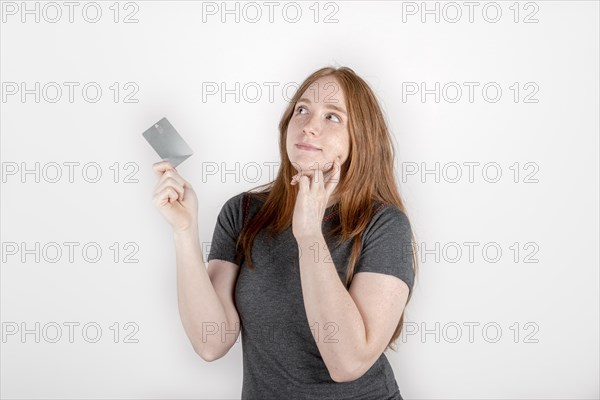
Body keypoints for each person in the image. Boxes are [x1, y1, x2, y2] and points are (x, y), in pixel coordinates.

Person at [152, 66, 418, 400]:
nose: (309, 126)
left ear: (359, 139)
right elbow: (211, 342)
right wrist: (184, 231)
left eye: (333, 117)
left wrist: (309, 236)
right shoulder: (244, 213)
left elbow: (347, 363)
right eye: (302, 110)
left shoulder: (385, 225)